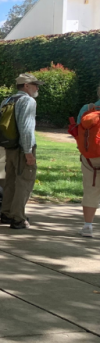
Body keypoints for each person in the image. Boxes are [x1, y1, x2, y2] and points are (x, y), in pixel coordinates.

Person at [0, 73, 41, 230]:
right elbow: (26, 128)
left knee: (10, 181)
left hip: (10, 147)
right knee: (25, 181)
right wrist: (28, 152)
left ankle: (6, 213)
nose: (37, 87)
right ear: (26, 86)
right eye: (35, 84)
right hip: (23, 148)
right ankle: (18, 218)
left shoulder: (8, 100)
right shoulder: (28, 101)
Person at [77, 86, 100, 238]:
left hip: (90, 157)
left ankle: (87, 226)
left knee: (91, 189)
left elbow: (77, 130)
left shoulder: (87, 108)